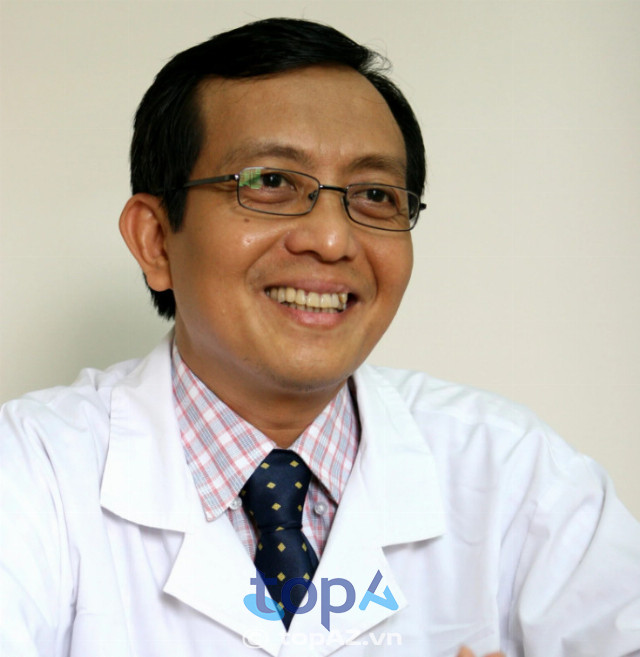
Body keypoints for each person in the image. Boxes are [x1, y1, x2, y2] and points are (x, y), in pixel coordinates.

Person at [0, 17, 638, 657]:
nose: (332, 240)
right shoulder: (31, 472)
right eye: (271, 182)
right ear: (156, 240)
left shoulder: (513, 470)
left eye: (375, 194)